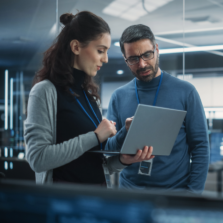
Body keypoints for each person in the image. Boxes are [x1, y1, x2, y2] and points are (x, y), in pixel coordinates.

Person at [24, 12, 154, 185]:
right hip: (61, 204)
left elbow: (95, 164)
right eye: (100, 50)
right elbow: (37, 159)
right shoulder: (44, 92)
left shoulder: (91, 97)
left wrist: (123, 160)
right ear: (76, 47)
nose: (106, 59)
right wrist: (94, 136)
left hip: (95, 201)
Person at [105, 24, 209, 193]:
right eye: (133, 59)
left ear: (157, 49)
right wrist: (126, 131)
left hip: (175, 194)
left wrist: (193, 194)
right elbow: (109, 149)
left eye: (147, 54)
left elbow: (200, 147)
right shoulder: (119, 96)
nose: (142, 64)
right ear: (125, 59)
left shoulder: (186, 92)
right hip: (131, 195)